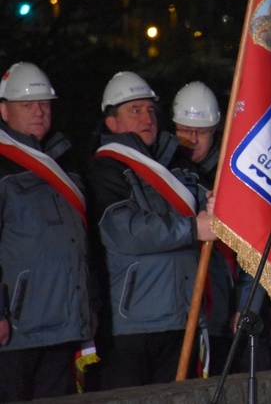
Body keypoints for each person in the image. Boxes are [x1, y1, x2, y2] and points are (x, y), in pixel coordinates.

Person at [86, 71, 216, 390]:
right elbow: (127, 232)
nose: (147, 117)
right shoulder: (104, 169)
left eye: (150, 110)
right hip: (131, 326)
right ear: (112, 121)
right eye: (135, 110)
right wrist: (193, 227)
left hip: (180, 319)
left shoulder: (174, 166)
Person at [0, 62, 92, 401]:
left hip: (62, 326)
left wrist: (88, 306)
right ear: (4, 110)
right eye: (28, 105)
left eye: (45, 104)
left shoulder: (64, 161)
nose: (39, 112)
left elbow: (82, 244)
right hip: (16, 331)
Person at [171, 81, 268, 375]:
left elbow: (255, 243)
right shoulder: (161, 172)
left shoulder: (234, 176)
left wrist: (247, 304)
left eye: (201, 132)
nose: (192, 139)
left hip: (222, 313)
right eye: (185, 131)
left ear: (215, 131)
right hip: (176, 315)